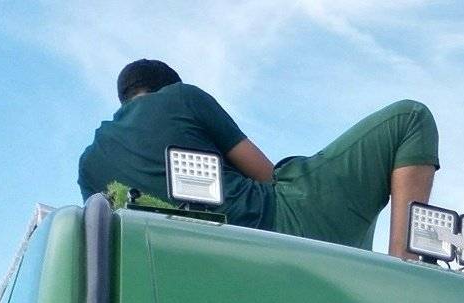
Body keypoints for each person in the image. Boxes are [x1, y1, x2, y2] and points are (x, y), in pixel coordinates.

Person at [77, 60, 440, 261]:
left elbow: (111, 238)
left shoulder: (89, 165)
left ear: (123, 98)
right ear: (168, 85)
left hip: (197, 264)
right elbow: (265, 174)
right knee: (409, 117)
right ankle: (403, 265)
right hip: (280, 222)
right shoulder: (181, 97)